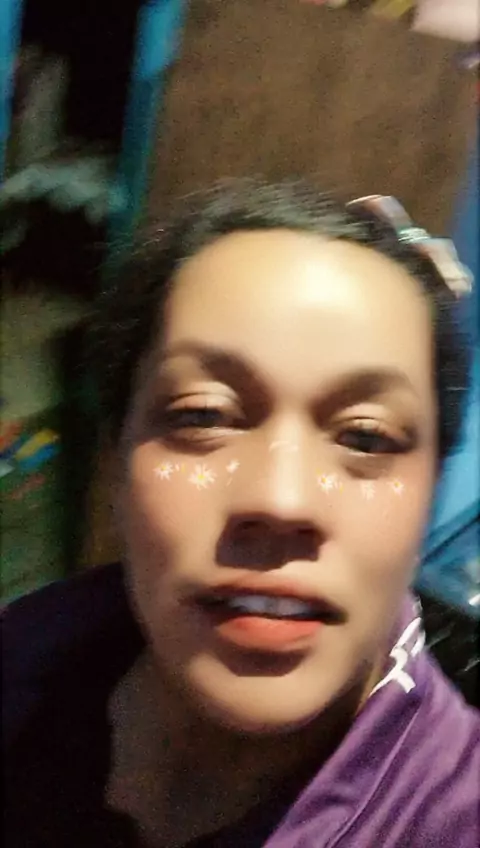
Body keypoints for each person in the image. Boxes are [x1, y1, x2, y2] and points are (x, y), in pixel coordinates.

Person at [3, 179, 479, 847]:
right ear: (113, 459)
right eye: (204, 416)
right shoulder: (25, 660)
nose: (281, 501)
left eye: (366, 438)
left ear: (432, 484)